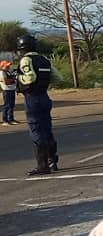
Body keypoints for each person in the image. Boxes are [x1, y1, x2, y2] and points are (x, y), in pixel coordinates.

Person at [15, 34, 58, 175]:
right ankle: (53, 161)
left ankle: (43, 166)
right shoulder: (45, 59)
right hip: (45, 96)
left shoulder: (26, 60)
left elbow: (30, 78)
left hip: (33, 98)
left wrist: (18, 77)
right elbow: (58, 77)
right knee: (47, 129)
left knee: (36, 131)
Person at [0, 60, 18, 125]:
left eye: (9, 66)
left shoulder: (8, 72)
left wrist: (13, 79)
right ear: (3, 66)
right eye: (7, 66)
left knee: (11, 105)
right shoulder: (2, 73)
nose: (8, 67)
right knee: (7, 105)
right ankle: (5, 120)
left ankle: (11, 119)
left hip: (12, 89)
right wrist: (13, 79)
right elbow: (6, 82)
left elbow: (12, 79)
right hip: (6, 90)